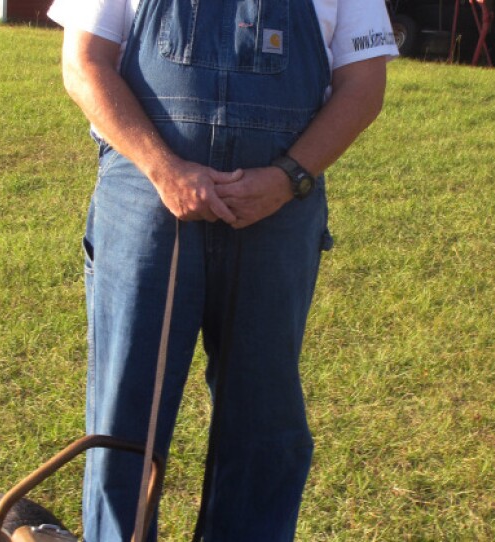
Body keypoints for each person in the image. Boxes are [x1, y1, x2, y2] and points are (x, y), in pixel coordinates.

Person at [47, 0, 398, 539]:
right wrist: (164, 169)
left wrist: (286, 178)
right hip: (146, 207)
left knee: (262, 425)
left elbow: (363, 87)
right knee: (125, 422)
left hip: (277, 215)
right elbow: (84, 63)